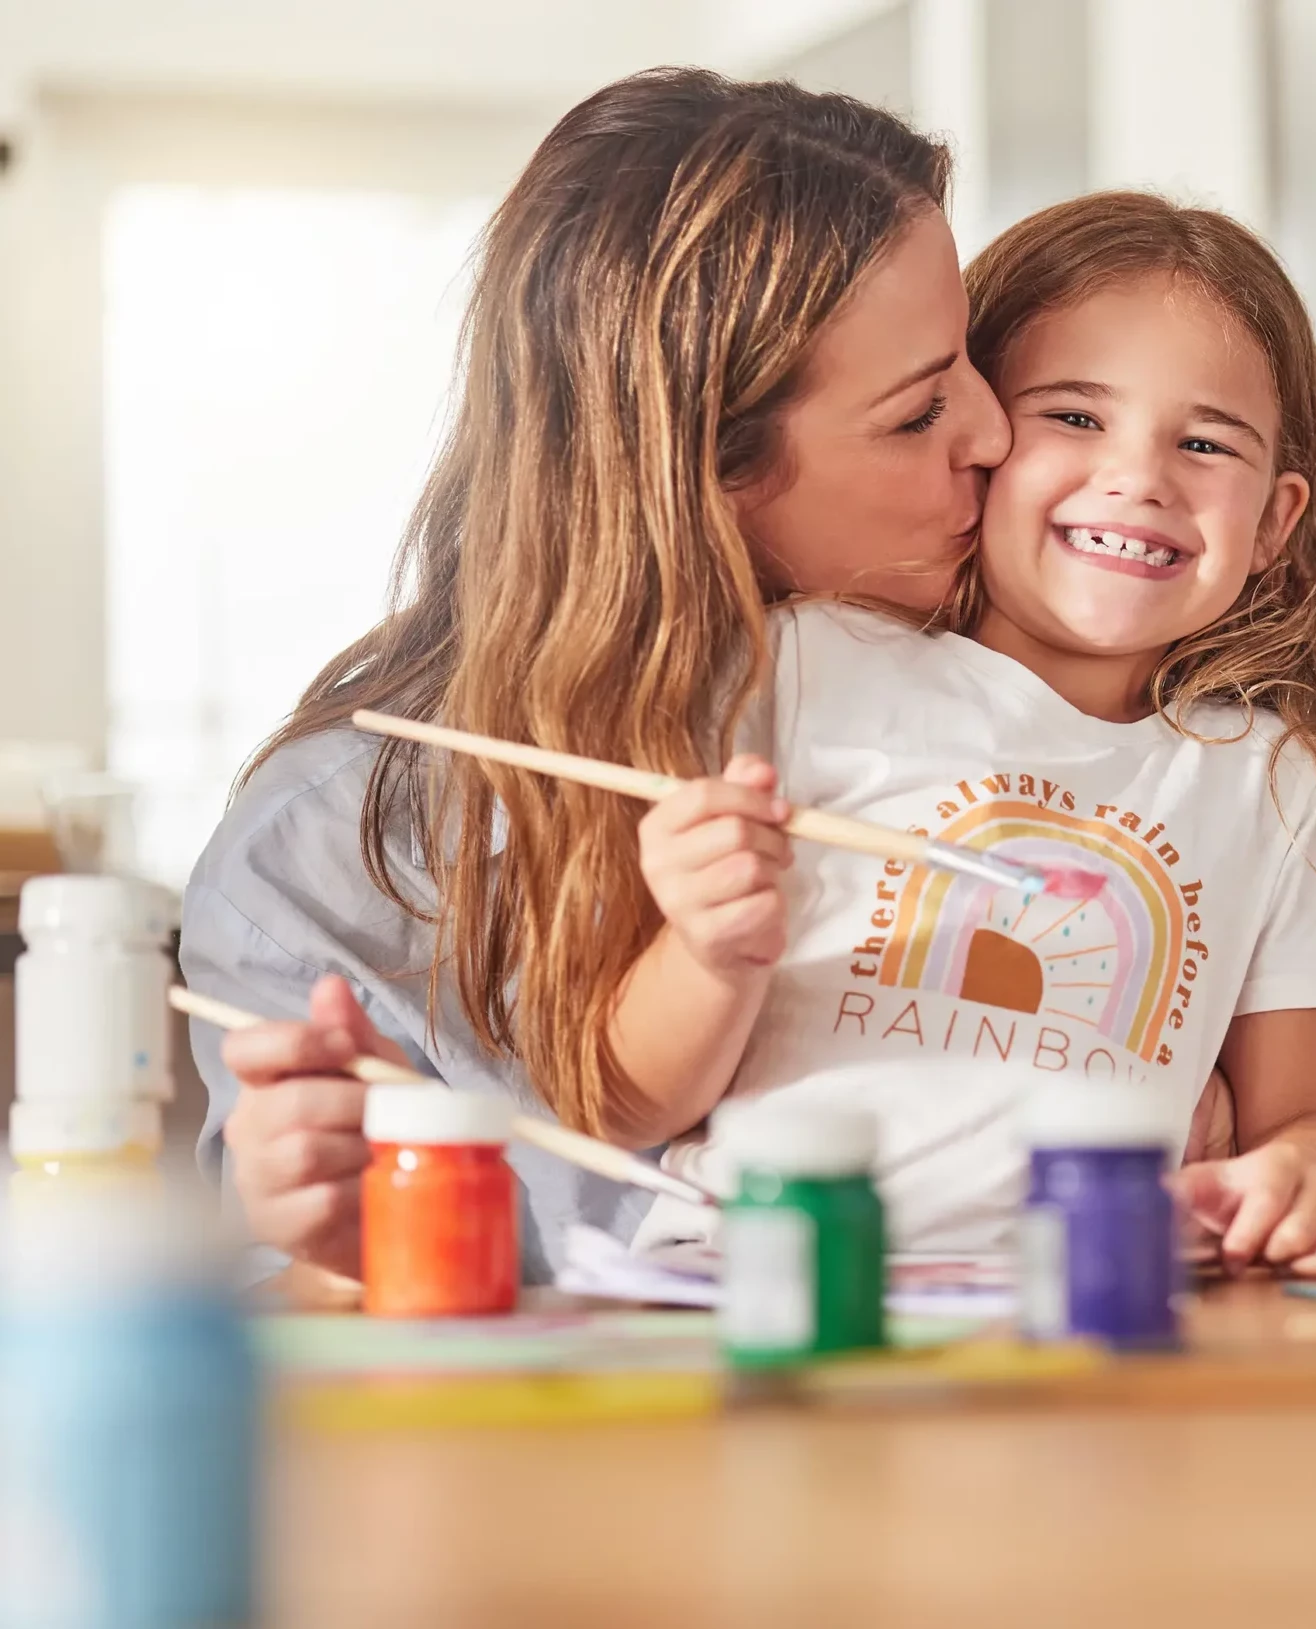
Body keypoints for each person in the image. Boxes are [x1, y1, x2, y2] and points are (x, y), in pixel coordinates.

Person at [181, 68, 1009, 1281]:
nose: (994, 434)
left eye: (969, 361)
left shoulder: (1008, 677)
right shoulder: (327, 852)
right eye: (917, 411)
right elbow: (290, 1304)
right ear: (699, 473)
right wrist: (316, 1230)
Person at [624, 193, 1316, 1275]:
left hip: (1087, 1312)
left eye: (1202, 443)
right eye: (1073, 417)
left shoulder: (1271, 783)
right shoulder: (803, 664)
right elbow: (630, 1101)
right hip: (750, 1284)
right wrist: (704, 948)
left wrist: (1307, 1174)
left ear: (1275, 525)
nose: (1138, 478)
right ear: (976, 443)